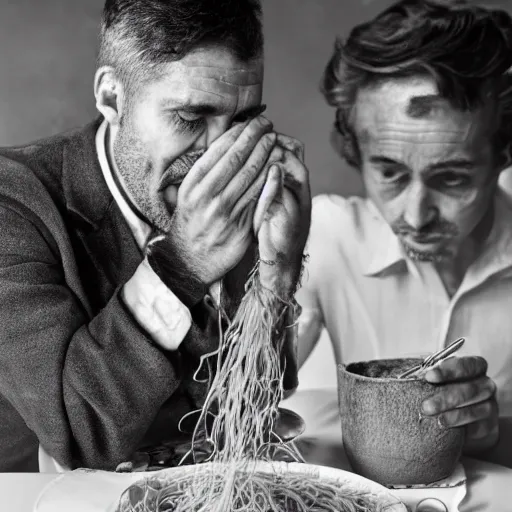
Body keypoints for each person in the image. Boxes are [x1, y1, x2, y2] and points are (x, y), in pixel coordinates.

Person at [0, 0, 311, 472]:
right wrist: (181, 266)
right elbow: (80, 438)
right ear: (112, 97)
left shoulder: (231, 199)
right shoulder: (13, 204)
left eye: (243, 122)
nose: (220, 159)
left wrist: (278, 274)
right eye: (189, 119)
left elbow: (256, 407)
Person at [297, 0, 512, 457]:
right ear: (354, 149)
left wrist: (497, 437)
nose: (415, 218)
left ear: (503, 156)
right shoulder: (325, 239)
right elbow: (226, 404)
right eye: (390, 173)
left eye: (452, 178)